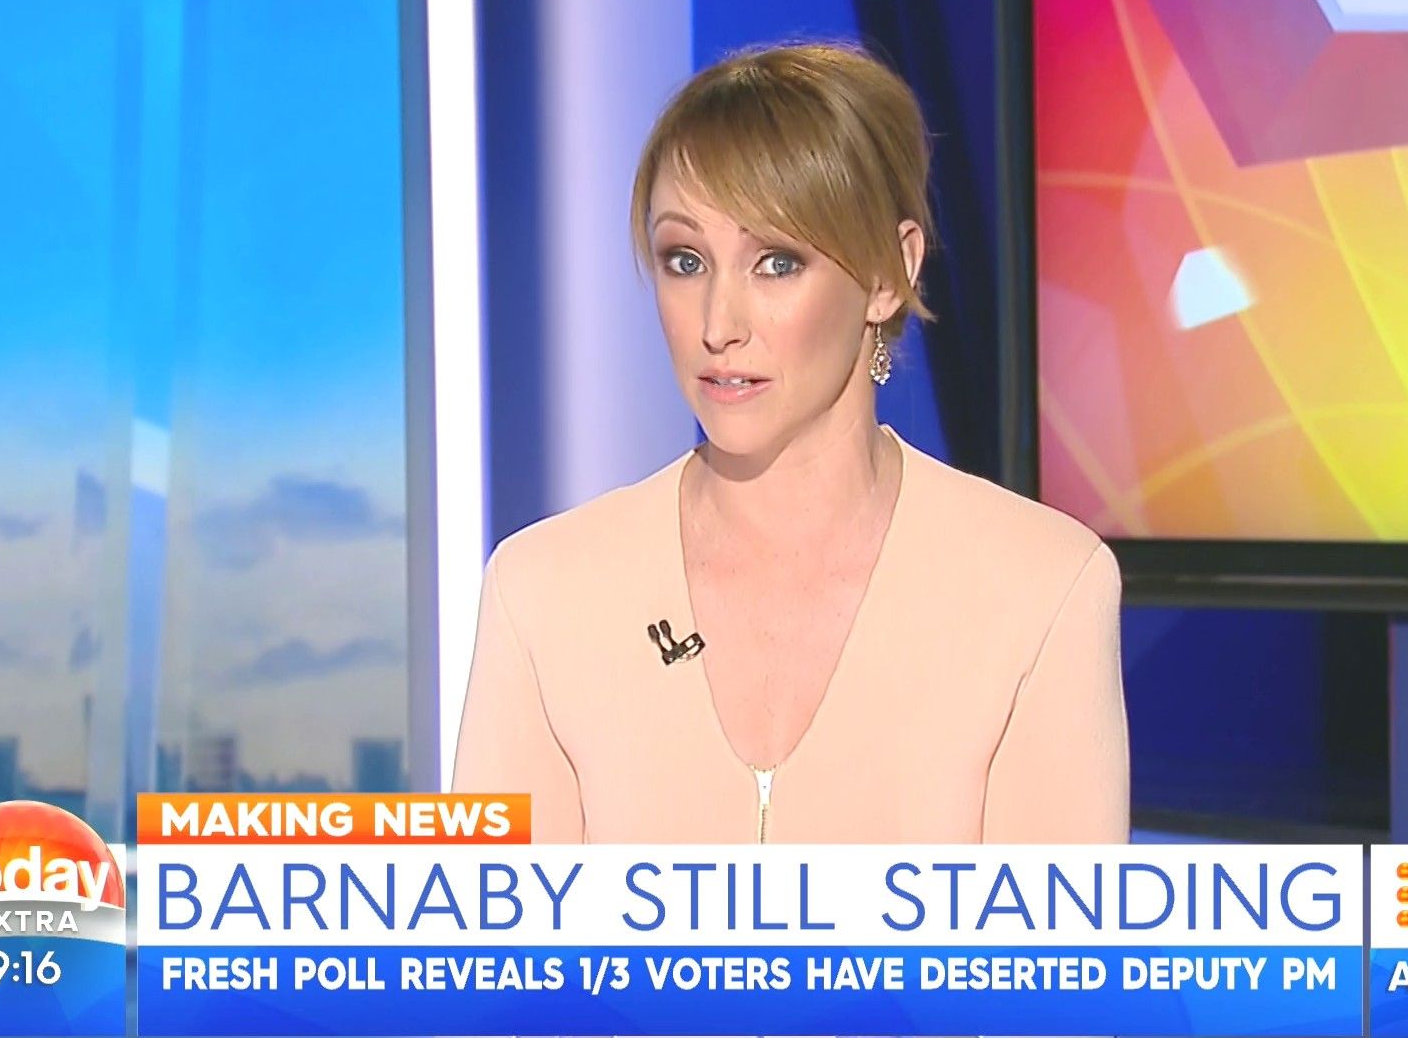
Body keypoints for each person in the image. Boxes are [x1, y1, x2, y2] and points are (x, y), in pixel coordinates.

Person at [451, 42, 1128, 845]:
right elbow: (496, 928)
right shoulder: (542, 593)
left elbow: (1052, 931)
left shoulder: (1043, 589)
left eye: (776, 262)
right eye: (685, 260)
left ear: (888, 273)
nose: (717, 325)